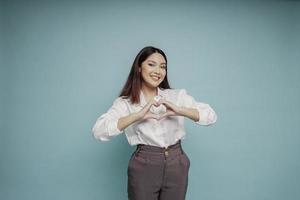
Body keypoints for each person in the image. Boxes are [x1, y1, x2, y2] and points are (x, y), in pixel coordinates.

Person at [91, 46, 217, 200]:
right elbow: (99, 131)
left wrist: (179, 110)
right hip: (144, 165)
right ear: (139, 68)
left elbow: (210, 116)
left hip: (177, 163)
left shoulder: (176, 96)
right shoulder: (126, 103)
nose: (158, 71)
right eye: (151, 64)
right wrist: (138, 115)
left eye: (163, 67)